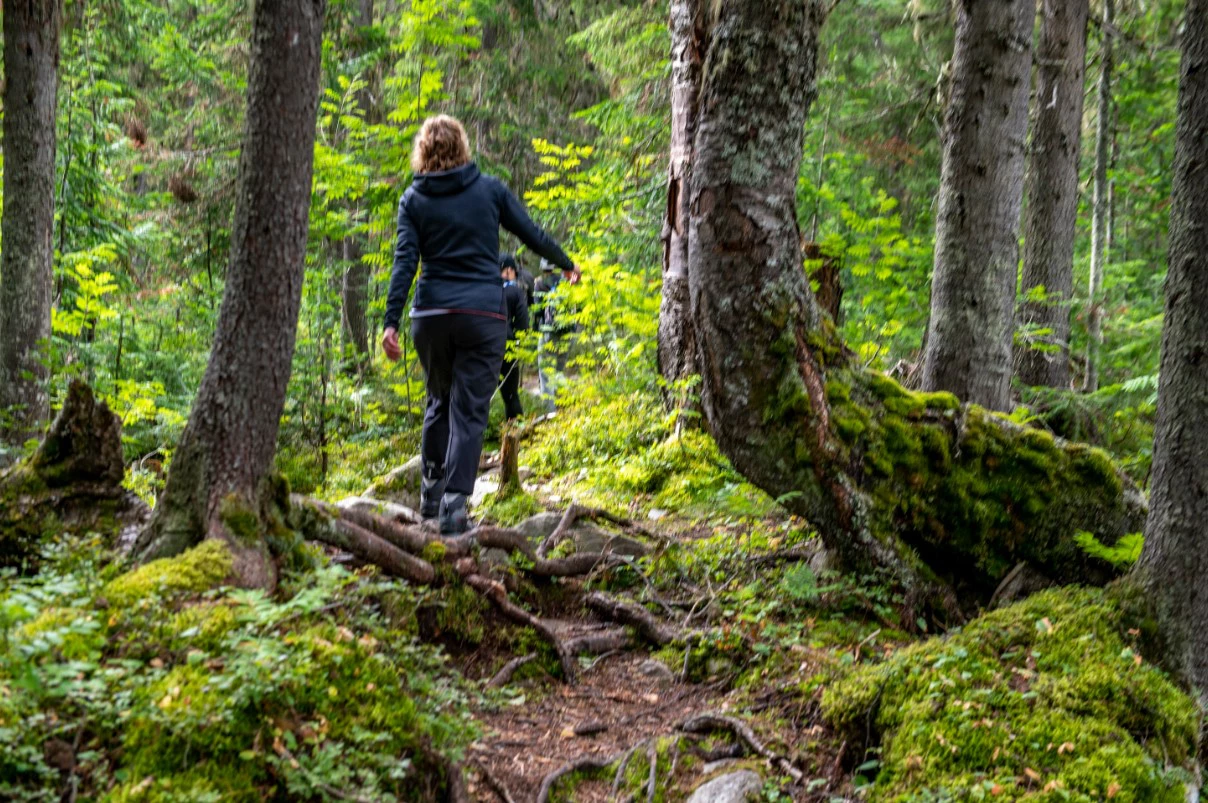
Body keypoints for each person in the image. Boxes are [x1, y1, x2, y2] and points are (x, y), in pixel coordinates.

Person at [381, 115, 579, 534]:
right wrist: (565, 263)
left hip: (431, 315)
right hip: (482, 315)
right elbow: (531, 233)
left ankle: (430, 500)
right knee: (469, 409)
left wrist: (390, 321)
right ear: (463, 147)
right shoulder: (489, 190)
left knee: (438, 402)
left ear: (423, 151)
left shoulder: (413, 200)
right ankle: (455, 508)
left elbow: (404, 263)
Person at [534, 258, 571, 406]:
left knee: (546, 373)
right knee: (559, 370)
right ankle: (565, 406)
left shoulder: (540, 283)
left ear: (543, 269)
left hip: (548, 332)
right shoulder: (566, 283)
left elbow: (537, 311)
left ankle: (550, 411)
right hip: (567, 332)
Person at [499, 254, 530, 421]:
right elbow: (522, 322)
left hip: (481, 344)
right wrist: (521, 341)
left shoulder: (485, 288)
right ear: (509, 270)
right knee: (510, 395)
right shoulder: (515, 291)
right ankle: (515, 432)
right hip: (507, 344)